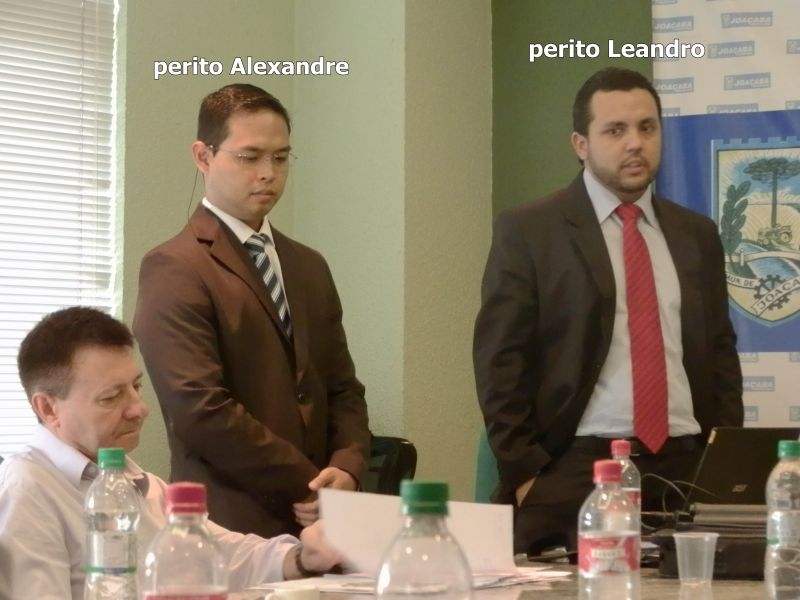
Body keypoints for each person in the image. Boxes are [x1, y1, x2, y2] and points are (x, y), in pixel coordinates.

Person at [473, 67, 743, 556]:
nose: (635, 143)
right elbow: (500, 362)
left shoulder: (697, 235)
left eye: (647, 127)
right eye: (615, 130)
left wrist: (721, 462)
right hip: (576, 468)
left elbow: (720, 355)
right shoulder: (531, 230)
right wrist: (527, 473)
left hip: (684, 466)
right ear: (581, 144)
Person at [133, 84, 370, 538]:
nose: (268, 173)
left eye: (281, 158)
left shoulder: (308, 265)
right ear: (203, 156)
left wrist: (348, 467)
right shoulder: (174, 266)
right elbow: (200, 409)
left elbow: (342, 387)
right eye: (250, 157)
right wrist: (307, 485)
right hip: (227, 525)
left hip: (324, 525)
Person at [0, 307, 342, 599]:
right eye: (111, 397)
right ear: (48, 408)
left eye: (136, 387)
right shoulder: (26, 488)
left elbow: (220, 553)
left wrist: (303, 558)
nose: (139, 408)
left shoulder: (130, 479)